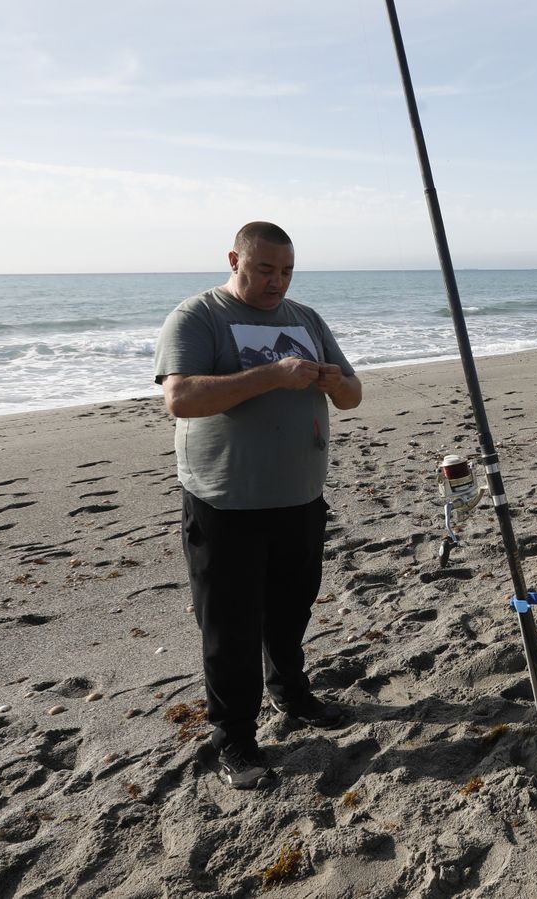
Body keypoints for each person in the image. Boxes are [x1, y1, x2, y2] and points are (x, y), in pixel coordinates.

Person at [154, 221, 363, 789]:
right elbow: (181, 399)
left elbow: (353, 394)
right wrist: (273, 374)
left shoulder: (306, 319)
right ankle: (235, 740)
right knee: (229, 627)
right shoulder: (199, 316)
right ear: (235, 259)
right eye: (266, 269)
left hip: (300, 497)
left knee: (292, 610)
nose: (278, 282)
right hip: (226, 503)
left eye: (287, 271)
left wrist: (331, 380)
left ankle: (292, 696)